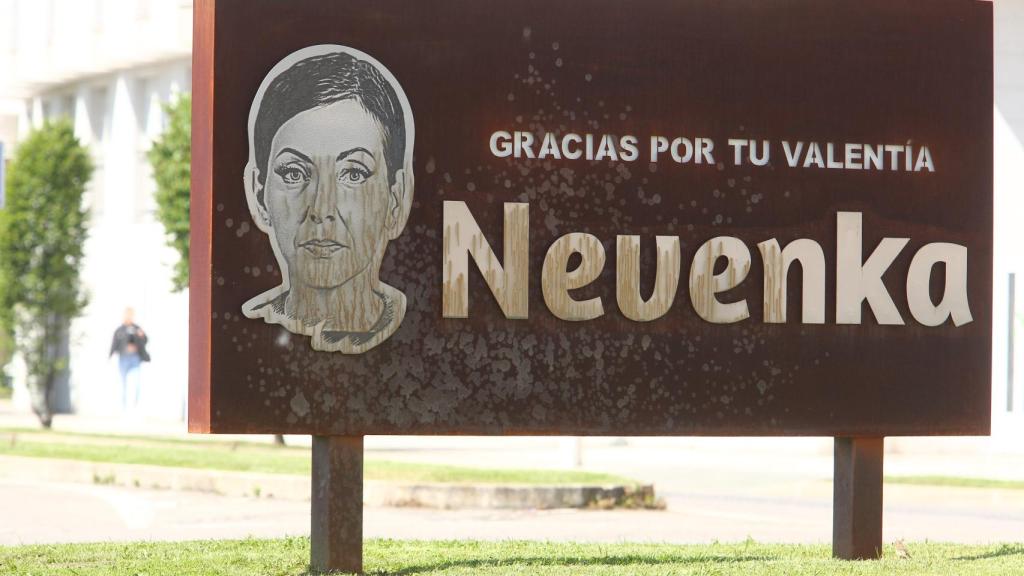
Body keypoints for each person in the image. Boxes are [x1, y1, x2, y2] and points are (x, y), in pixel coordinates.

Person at [241, 44, 415, 354]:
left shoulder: (422, 342)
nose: (321, 209)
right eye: (294, 173)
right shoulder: (237, 343)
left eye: (353, 174)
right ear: (259, 193)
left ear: (396, 199)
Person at [109, 308, 150, 411]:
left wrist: (142, 335)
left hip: (135, 358)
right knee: (122, 383)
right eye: (127, 315)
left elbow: (145, 340)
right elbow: (114, 344)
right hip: (123, 358)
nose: (129, 317)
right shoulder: (120, 329)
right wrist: (110, 355)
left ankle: (135, 406)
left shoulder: (137, 328)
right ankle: (123, 407)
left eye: (130, 315)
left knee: (136, 383)